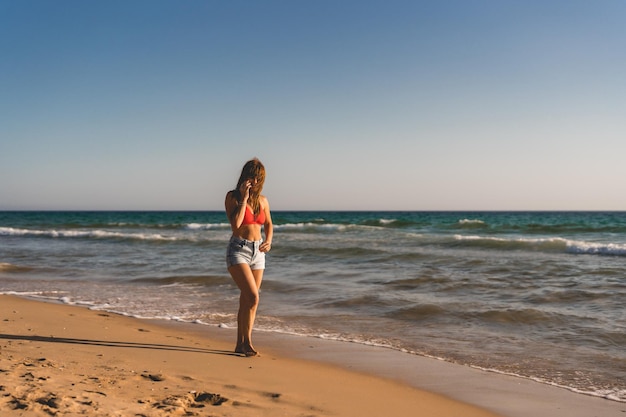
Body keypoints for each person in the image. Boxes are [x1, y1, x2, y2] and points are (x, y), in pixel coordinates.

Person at [225, 158, 273, 357]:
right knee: (253, 297)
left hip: (258, 253)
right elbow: (236, 225)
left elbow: (269, 223)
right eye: (251, 176)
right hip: (239, 250)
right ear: (245, 176)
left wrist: (268, 240)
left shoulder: (263, 200)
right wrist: (244, 198)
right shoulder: (232, 197)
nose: (254, 181)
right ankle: (248, 343)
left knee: (247, 300)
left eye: (258, 178)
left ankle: (240, 344)